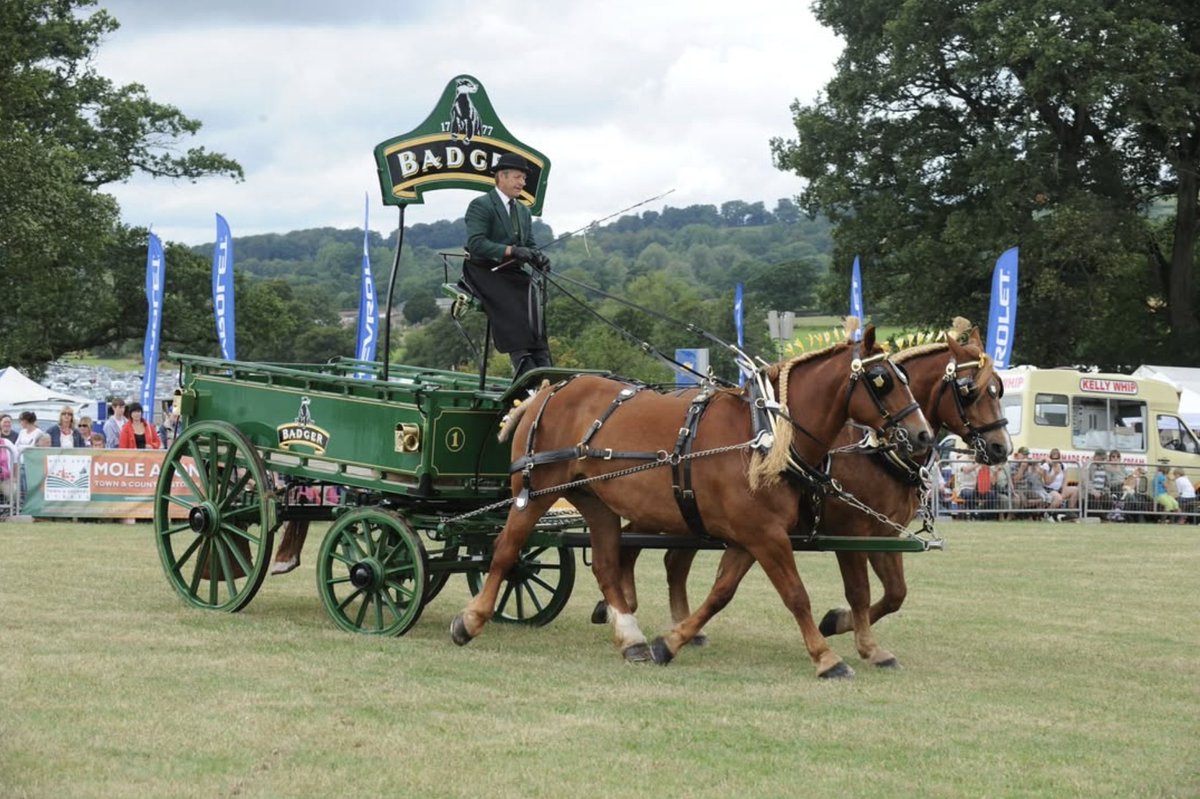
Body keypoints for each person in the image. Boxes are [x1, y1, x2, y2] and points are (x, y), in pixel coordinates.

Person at [462, 152, 553, 380]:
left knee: (532, 305)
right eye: (518, 177)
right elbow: (477, 243)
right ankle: (523, 362)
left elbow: (529, 244)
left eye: (523, 179)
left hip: (511, 272)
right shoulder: (481, 205)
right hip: (483, 270)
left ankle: (542, 360)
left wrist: (537, 257)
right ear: (501, 177)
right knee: (510, 304)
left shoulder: (523, 211)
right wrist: (511, 250)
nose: (522, 183)